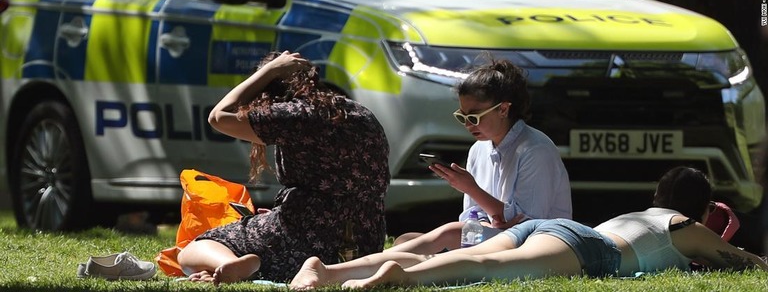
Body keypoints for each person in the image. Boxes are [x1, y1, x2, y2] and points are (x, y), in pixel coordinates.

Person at [289, 166, 768, 290]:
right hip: (586, 246)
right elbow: (748, 265)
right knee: (490, 267)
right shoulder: (686, 225)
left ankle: (329, 271)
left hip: (555, 227)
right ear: (702, 209)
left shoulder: (647, 215)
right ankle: (401, 276)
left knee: (451, 257)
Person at [177, 50, 390, 284]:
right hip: (364, 241)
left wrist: (270, 70)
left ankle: (239, 264)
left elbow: (218, 116)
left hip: (305, 239)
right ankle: (244, 263)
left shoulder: (295, 114)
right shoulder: (359, 112)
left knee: (194, 250)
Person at [388, 56, 571, 254]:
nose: (468, 125)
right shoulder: (478, 148)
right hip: (496, 236)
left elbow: (529, 224)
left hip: (536, 244)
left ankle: (375, 262)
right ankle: (433, 259)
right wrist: (485, 223)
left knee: (447, 234)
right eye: (462, 117)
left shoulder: (536, 149)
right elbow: (472, 215)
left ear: (503, 109)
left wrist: (471, 189)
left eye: (474, 117)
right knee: (405, 240)